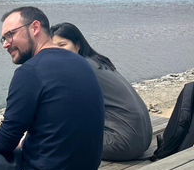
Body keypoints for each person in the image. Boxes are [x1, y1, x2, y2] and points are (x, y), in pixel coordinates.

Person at [0, 6, 105, 170]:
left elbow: (5, 141)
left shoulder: (30, 71)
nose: (6, 44)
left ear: (35, 27)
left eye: (10, 35)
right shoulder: (80, 62)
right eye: (3, 38)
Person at [50, 22, 152, 161]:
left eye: (62, 45)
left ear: (77, 45)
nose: (58, 51)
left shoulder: (80, 68)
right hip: (143, 139)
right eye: (53, 47)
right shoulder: (97, 61)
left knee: (57, 135)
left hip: (123, 144)